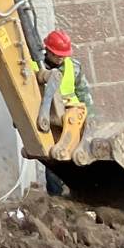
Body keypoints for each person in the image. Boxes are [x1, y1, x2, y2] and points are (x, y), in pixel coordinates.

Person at [41, 29, 91, 195]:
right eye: (56, 54)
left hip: (73, 121)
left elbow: (84, 93)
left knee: (78, 160)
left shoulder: (73, 67)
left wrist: (89, 117)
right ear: (47, 50)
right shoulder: (35, 67)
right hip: (50, 122)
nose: (61, 58)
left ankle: (83, 195)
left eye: (63, 55)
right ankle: (55, 199)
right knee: (54, 161)